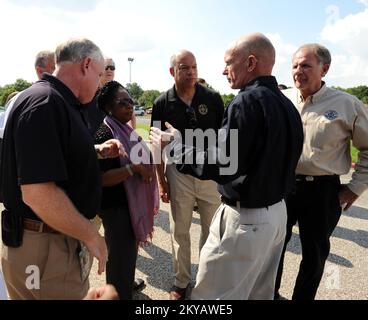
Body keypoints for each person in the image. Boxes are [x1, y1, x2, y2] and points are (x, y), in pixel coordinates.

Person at [150, 33, 303, 300]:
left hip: (247, 220)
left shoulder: (246, 101)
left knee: (212, 298)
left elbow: (222, 163)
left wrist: (174, 145)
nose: (223, 70)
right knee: (258, 293)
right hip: (276, 215)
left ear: (251, 62)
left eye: (229, 62)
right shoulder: (285, 103)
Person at [0, 38, 120, 300]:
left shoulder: (56, 101)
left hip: (47, 242)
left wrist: (95, 151)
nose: (100, 82)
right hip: (46, 248)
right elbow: (37, 192)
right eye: (99, 74)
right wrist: (92, 237)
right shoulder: (45, 103)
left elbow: (56, 156)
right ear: (86, 64)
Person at [274, 44, 368, 300]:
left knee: (314, 255)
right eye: (294, 65)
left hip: (322, 191)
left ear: (324, 68)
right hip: (283, 187)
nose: (298, 71)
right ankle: (270, 294)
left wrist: (355, 187)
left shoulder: (347, 104)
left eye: (305, 65)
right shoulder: (283, 100)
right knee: (273, 248)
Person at [151, 50, 224, 300]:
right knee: (180, 230)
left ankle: (206, 278)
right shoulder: (162, 103)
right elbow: (156, 146)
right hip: (179, 174)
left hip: (210, 175)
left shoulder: (213, 98)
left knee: (212, 230)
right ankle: (181, 280)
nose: (191, 72)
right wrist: (161, 181)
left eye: (194, 67)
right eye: (185, 68)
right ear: (173, 71)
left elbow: (224, 140)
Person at [94, 80, 159, 299]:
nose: (129, 106)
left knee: (127, 259)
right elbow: (101, 178)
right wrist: (133, 169)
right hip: (116, 208)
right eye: (122, 102)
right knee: (120, 262)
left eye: (130, 101)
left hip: (128, 208)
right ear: (108, 107)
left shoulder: (127, 130)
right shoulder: (105, 133)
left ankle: (123, 290)